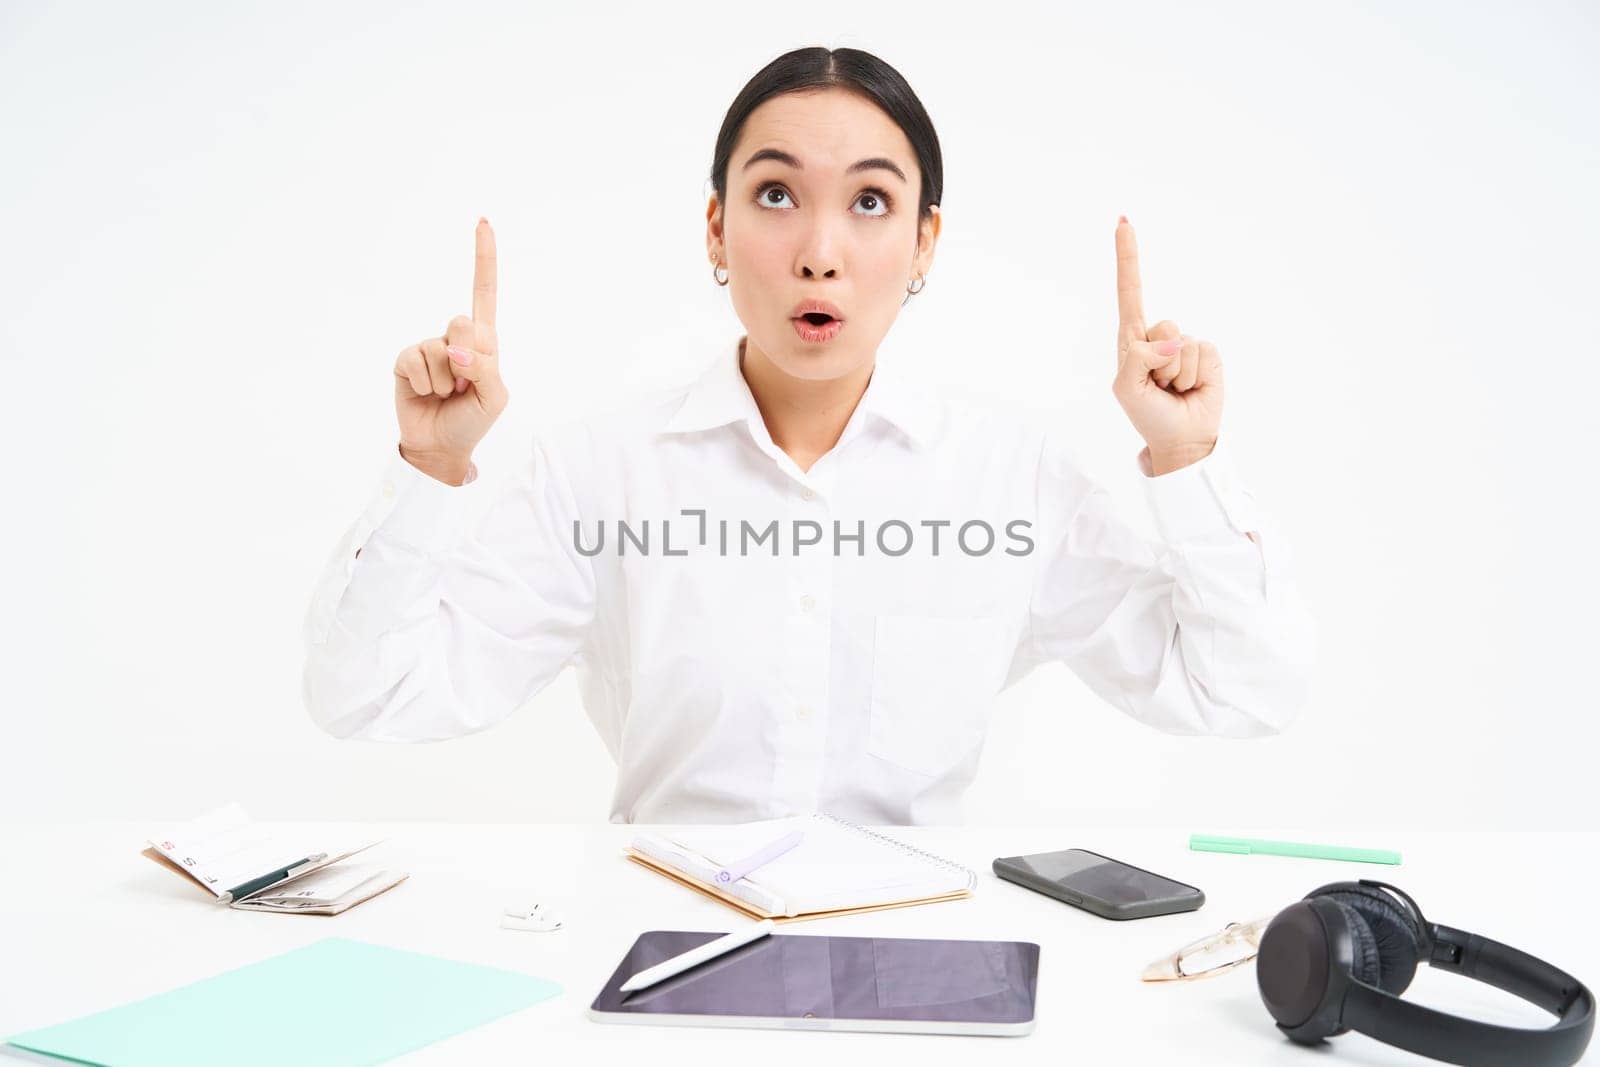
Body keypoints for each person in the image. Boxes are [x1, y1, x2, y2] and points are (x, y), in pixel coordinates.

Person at [302, 46, 1315, 825]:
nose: (819, 254)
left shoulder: (1011, 483)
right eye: (776, 195)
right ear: (715, 228)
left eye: (870, 202)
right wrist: (432, 467)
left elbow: (1242, 690)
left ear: (923, 240)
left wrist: (1185, 461)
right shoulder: (600, 475)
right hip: (660, 944)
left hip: (913, 955)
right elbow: (366, 695)